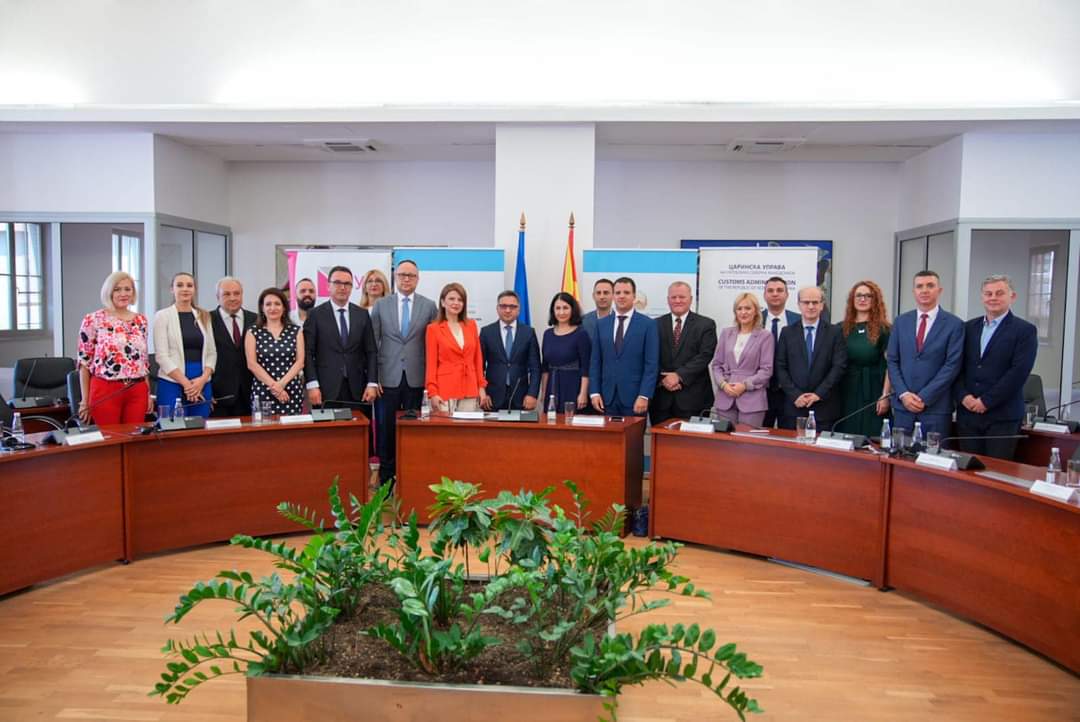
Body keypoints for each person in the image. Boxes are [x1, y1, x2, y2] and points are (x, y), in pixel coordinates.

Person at [953, 275, 1038, 460]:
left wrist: (986, 401)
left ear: (1012, 296)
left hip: (1002, 416)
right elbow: (956, 366)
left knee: (996, 472)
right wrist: (964, 397)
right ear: (982, 297)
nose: (993, 298)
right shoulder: (968, 328)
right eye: (988, 293)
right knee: (967, 471)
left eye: (999, 293)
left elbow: (1018, 373)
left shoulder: (1025, 331)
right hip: (968, 414)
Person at [370, 259, 438, 484]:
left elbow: (433, 345)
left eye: (411, 275)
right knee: (386, 430)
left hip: (417, 379)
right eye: (402, 275)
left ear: (418, 279)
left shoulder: (429, 306)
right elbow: (373, 344)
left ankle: (410, 479)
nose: (406, 279)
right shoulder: (381, 305)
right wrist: (374, 379)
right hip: (387, 378)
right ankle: (386, 481)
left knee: (413, 431)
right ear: (395, 277)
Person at [886, 270, 964, 437]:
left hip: (936, 408)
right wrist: (904, 394)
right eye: (919, 286)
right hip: (903, 408)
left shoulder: (954, 324)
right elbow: (892, 360)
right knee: (900, 452)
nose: (924, 290)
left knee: (933, 453)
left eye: (930, 285)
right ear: (914, 291)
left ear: (939, 290)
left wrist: (924, 397)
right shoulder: (900, 321)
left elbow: (952, 365)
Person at [76, 271, 152, 425]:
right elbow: (84, 362)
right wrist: (84, 400)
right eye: (117, 289)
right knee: (110, 436)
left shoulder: (141, 320)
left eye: (127, 289)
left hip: (137, 389)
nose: (123, 294)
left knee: (134, 436)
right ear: (109, 292)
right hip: (106, 389)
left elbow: (143, 361)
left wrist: (148, 393)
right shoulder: (93, 319)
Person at [303, 265, 379, 410]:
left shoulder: (362, 315)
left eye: (347, 284)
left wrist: (372, 383)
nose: (343, 287)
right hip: (325, 389)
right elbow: (307, 352)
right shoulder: (315, 315)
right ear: (328, 286)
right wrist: (312, 384)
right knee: (329, 425)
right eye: (337, 283)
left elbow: (371, 351)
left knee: (360, 425)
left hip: (358, 389)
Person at [774, 286, 847, 429]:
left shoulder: (835, 332)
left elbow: (839, 366)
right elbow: (780, 366)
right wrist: (795, 395)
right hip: (794, 407)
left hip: (824, 408)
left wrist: (819, 394)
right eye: (806, 302)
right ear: (799, 305)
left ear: (822, 305)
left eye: (815, 302)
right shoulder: (787, 332)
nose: (811, 306)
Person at [589, 277, 659, 416]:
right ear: (613, 296)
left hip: (635, 398)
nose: (621, 296)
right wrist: (594, 392)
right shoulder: (601, 324)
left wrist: (644, 395)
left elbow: (651, 364)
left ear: (634, 296)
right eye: (618, 293)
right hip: (606, 398)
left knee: (634, 432)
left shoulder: (648, 325)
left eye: (626, 292)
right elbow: (595, 361)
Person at [650, 281, 718, 425]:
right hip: (661, 399)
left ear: (691, 299)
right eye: (673, 297)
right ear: (668, 299)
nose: (677, 300)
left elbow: (705, 355)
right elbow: (649, 356)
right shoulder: (654, 325)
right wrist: (663, 379)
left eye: (682, 297)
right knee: (661, 439)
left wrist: (678, 375)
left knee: (692, 440)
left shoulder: (706, 324)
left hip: (694, 399)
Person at [152, 272, 217, 418]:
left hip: (201, 381)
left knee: (199, 426)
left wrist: (202, 380)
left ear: (194, 289)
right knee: (174, 426)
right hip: (172, 381)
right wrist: (187, 385)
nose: (185, 289)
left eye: (189, 285)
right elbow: (161, 356)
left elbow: (212, 352)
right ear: (172, 289)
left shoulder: (203, 316)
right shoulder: (162, 316)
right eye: (180, 285)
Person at [837, 281, 892, 436]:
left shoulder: (885, 329)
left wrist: (885, 395)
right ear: (852, 299)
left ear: (876, 300)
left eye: (868, 296)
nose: (863, 299)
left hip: (874, 389)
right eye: (859, 295)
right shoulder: (840, 328)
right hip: (846, 389)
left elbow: (891, 365)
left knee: (872, 434)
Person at [710, 292, 773, 427]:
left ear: (756, 311)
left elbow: (766, 370)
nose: (743, 312)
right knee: (722, 438)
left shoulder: (765, 336)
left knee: (746, 439)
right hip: (725, 397)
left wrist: (745, 385)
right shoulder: (726, 333)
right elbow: (716, 364)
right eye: (739, 309)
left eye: (748, 308)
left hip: (752, 400)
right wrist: (723, 384)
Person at [425, 282, 487, 412]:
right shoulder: (433, 329)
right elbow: (431, 364)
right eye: (451, 299)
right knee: (444, 426)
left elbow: (478, 360)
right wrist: (432, 392)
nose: (456, 303)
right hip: (445, 391)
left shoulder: (471, 325)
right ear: (443, 302)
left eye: (460, 300)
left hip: (470, 390)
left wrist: (481, 387)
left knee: (468, 426)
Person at [246, 287, 306, 416]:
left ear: (284, 307)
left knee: (293, 428)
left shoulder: (296, 331)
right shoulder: (253, 332)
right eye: (268, 304)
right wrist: (275, 387)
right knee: (265, 428)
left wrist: (281, 384)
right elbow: (252, 364)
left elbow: (300, 362)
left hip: (291, 390)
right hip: (263, 390)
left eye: (277, 304)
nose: (273, 308)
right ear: (262, 308)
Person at [479, 290, 541, 411]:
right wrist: (483, 393)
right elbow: (479, 367)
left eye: (512, 306)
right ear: (497, 308)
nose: (508, 310)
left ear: (519, 310)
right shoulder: (486, 332)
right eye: (503, 306)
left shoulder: (528, 333)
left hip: (522, 398)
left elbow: (535, 368)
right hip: (491, 398)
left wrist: (532, 394)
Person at [209, 276, 257, 417]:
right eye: (226, 294)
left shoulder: (256, 319)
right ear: (217, 297)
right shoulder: (206, 320)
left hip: (250, 393)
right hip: (218, 396)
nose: (232, 298)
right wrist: (206, 391)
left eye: (236, 293)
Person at [540, 293, 592, 413]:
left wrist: (583, 393)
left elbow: (586, 367)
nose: (561, 312)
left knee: (571, 422)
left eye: (565, 308)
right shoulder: (547, 334)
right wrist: (543, 393)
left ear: (573, 310)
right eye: (558, 308)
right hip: (552, 388)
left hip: (573, 386)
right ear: (553, 311)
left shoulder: (581, 334)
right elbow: (545, 368)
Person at [761, 276, 801, 427]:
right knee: (760, 435)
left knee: (788, 434)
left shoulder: (799, 320)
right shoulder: (755, 319)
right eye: (770, 291)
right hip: (761, 391)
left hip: (790, 392)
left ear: (787, 294)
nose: (775, 294)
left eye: (779, 290)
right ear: (764, 295)